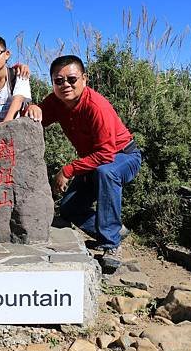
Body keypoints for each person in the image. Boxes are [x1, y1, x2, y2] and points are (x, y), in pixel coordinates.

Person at [26, 55, 141, 270]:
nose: (65, 85)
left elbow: (106, 154)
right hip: (95, 161)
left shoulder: (96, 106)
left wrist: (68, 170)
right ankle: (112, 229)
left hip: (123, 156)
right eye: (58, 81)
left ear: (84, 79)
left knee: (107, 173)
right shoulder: (56, 101)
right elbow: (40, 116)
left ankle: (111, 244)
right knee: (70, 209)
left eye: (71, 79)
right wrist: (33, 108)